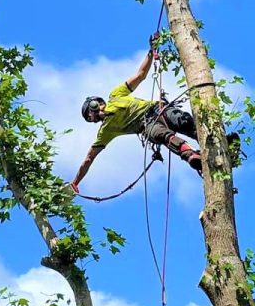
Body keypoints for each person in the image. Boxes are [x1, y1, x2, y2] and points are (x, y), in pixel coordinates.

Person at [68, 36, 232, 193]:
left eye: (92, 109)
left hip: (157, 110)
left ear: (98, 102)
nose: (95, 114)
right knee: (160, 135)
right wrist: (75, 182)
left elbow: (140, 75)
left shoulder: (115, 96)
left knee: (184, 122)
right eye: (91, 117)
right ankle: (191, 155)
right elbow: (89, 158)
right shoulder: (106, 131)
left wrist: (151, 51)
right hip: (146, 125)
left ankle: (220, 142)